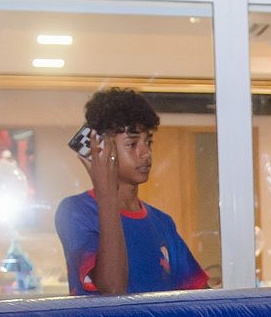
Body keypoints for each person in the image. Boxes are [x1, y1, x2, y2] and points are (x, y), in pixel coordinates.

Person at [55, 87, 208, 295]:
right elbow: (113, 288)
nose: (146, 153)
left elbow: (200, 294)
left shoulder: (162, 222)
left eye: (148, 142)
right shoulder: (75, 211)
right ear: (101, 148)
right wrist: (107, 195)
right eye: (132, 144)